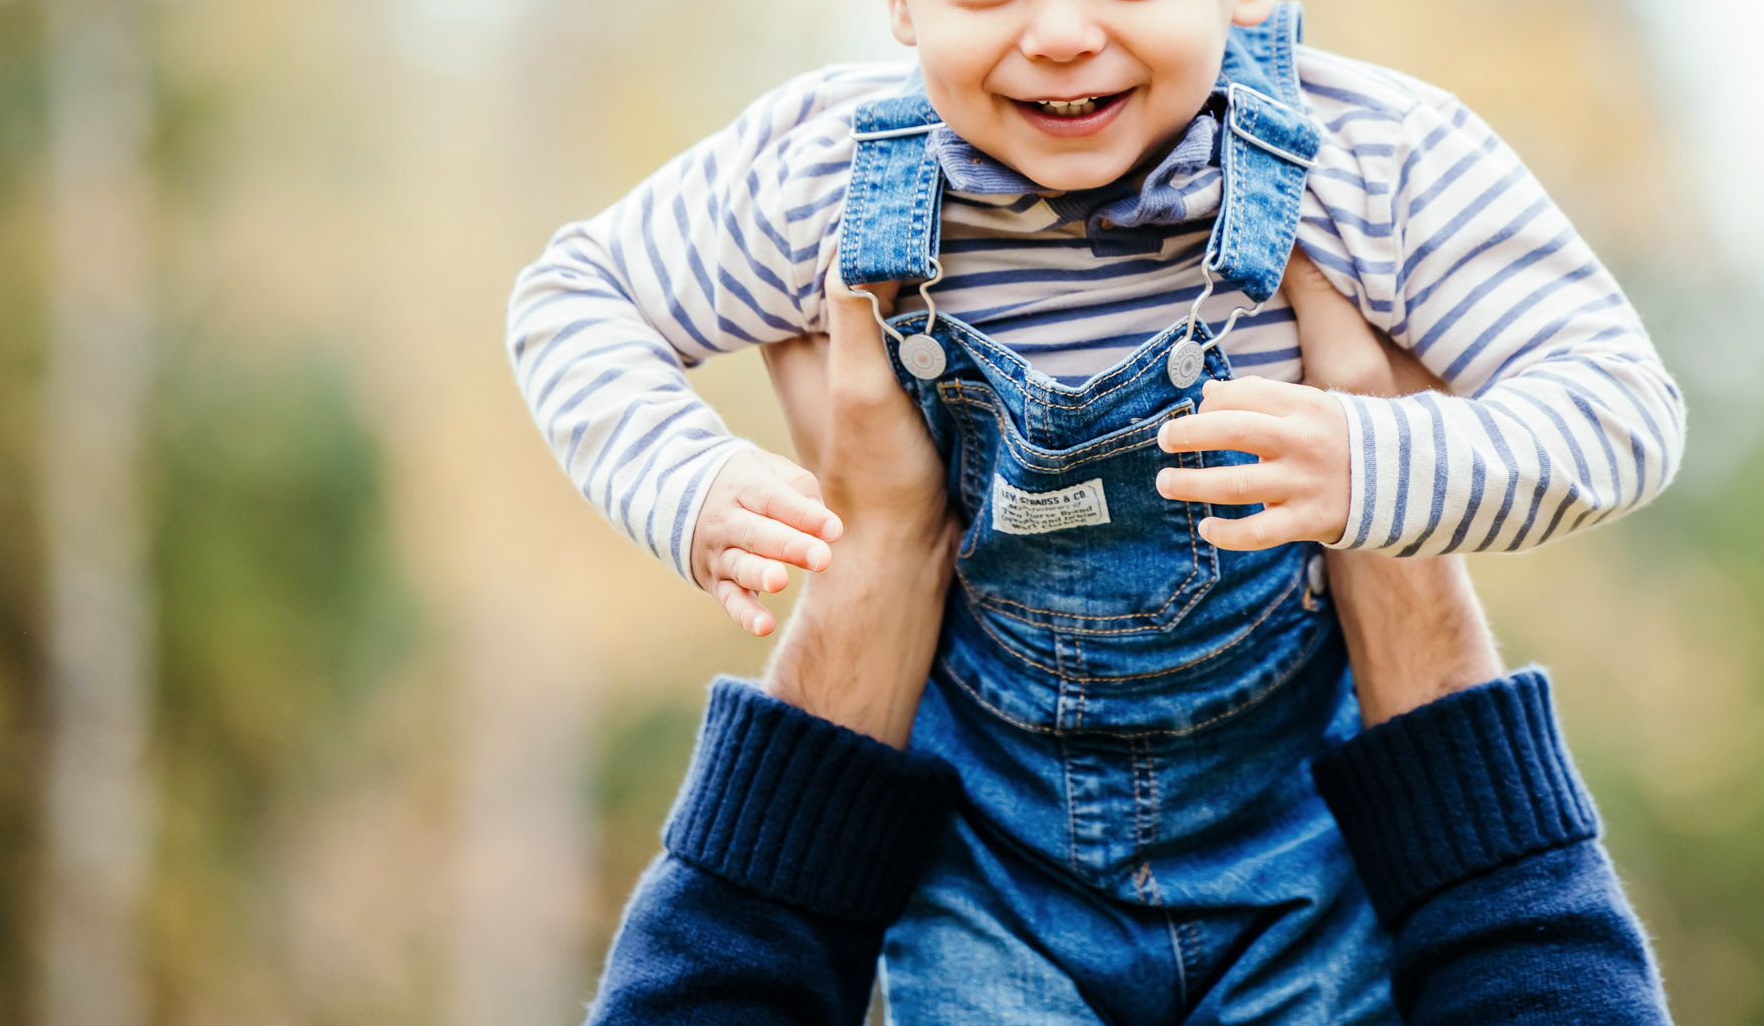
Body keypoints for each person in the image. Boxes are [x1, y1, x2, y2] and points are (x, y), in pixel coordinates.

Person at [508, 0, 1686, 1022]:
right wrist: (683, 480)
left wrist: (1379, 460)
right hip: (990, 882)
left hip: (1298, 865)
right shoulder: (833, 175)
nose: (1059, 31)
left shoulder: (1371, 161)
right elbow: (576, 298)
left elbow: (1621, 409)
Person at [586, 261, 1671, 1024]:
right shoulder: (1367, 160)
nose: (1063, 36)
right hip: (1116, 832)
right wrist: (1397, 548)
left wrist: (870, 566)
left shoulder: (828, 166)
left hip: (1089, 842)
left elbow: (584, 292)